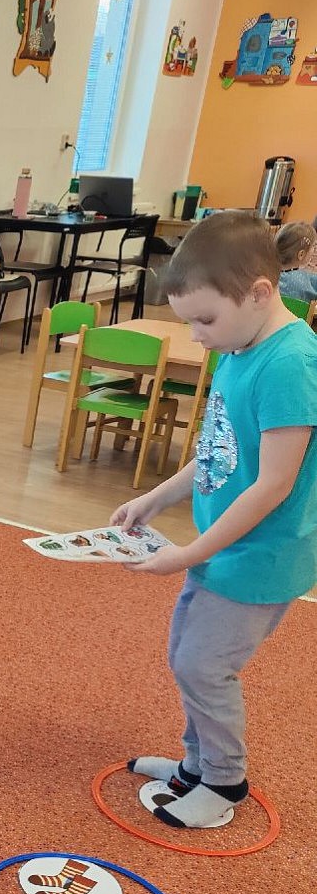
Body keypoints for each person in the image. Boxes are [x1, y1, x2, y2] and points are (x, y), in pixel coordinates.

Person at [112, 210, 317, 829]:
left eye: (205, 320)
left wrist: (190, 552)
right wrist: (156, 498)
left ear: (259, 293)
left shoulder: (289, 363)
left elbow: (273, 484)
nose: (197, 336)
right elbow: (217, 452)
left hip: (260, 556)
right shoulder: (240, 345)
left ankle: (225, 782)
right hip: (222, 547)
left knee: (205, 666)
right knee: (187, 657)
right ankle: (195, 765)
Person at [275, 220, 317, 305]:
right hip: (298, 314)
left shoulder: (268, 275)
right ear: (301, 254)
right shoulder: (305, 280)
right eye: (314, 246)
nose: (314, 250)